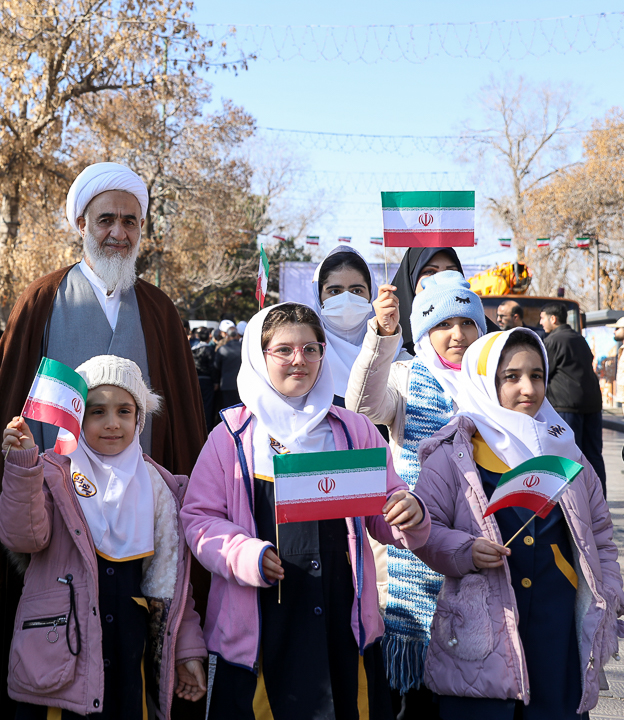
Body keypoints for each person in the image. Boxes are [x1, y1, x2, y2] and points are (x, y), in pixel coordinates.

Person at [0, 162, 207, 720]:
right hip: (54, 520)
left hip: (139, 523)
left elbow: (181, 422)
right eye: (106, 220)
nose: (118, 232)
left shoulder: (159, 310)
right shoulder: (42, 298)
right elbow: (8, 402)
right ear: (81, 223)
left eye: (130, 221)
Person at [181, 302, 429, 718]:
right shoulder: (231, 437)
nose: (300, 360)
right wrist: (245, 555)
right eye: (284, 350)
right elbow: (199, 520)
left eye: (311, 349)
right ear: (259, 357)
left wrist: (409, 511)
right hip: (262, 624)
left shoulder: (354, 430)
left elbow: (385, 507)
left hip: (343, 618)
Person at [413, 328, 623, 719]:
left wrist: (609, 594)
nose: (528, 388)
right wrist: (466, 551)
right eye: (511, 376)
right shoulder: (453, 455)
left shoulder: (566, 452)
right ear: (483, 381)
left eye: (537, 375)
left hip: (557, 635)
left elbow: (600, 538)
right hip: (481, 641)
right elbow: (425, 531)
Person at [0, 355, 207, 718]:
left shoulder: (160, 488)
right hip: (61, 657)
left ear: (139, 418)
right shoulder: (51, 474)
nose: (112, 423)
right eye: (97, 412)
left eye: (124, 411)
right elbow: (24, 538)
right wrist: (23, 467)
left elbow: (173, 585)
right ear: (76, 417)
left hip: (129, 659)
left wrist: (187, 650)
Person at [346, 270, 487, 718]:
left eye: (467, 323)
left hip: (480, 548)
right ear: (425, 331)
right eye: (443, 324)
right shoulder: (405, 377)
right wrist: (382, 335)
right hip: (413, 551)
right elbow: (363, 407)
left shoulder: (492, 382)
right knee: (413, 701)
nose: (457, 334)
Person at [539, 301, 607, 493]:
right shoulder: (579, 338)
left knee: (568, 456)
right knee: (593, 455)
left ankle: (574, 500)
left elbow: (543, 373)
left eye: (542, 318)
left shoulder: (553, 341)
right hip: (592, 403)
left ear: (553, 319)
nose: (540, 322)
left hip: (566, 406)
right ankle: (598, 498)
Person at [311, 246, 377, 407]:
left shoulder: (393, 353)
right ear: (319, 297)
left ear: (371, 294)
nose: (347, 299)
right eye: (335, 291)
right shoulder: (306, 354)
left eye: (357, 291)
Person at [388, 246, 464, 354]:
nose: (442, 279)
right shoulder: (388, 334)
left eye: (450, 271)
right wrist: (385, 334)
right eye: (430, 271)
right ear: (411, 278)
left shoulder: (483, 334)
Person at [213, 321, 242, 412]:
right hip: (242, 384)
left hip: (226, 384)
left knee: (228, 411)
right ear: (237, 335)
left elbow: (216, 367)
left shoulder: (222, 349)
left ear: (227, 336)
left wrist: (216, 382)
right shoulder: (244, 348)